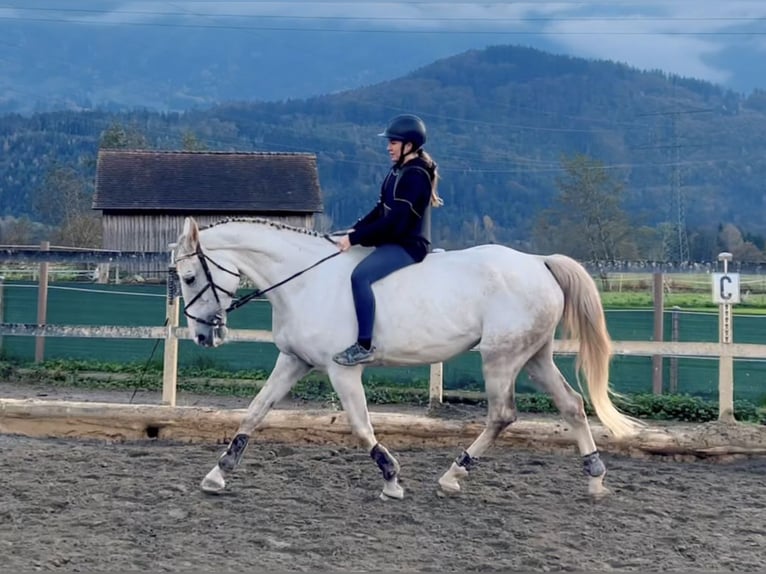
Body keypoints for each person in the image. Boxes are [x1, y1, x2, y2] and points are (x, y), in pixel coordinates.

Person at [332, 113, 443, 367]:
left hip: (408, 245)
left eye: (393, 142)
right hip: (393, 240)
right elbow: (379, 210)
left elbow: (395, 221)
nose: (388, 147)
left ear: (409, 146)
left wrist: (358, 238)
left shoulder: (415, 176)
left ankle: (364, 345)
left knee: (360, 276)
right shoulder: (398, 172)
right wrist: (353, 231)